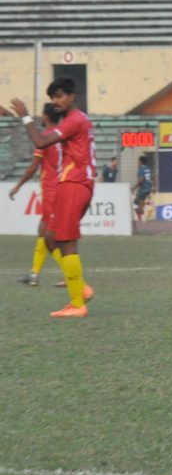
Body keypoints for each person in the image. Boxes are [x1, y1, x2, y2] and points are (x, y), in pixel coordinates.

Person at [6, 78, 97, 317]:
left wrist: (25, 116)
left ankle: (78, 303)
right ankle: (80, 291)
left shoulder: (74, 120)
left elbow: (40, 141)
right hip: (74, 182)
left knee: (66, 241)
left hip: (73, 183)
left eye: (59, 96)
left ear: (71, 96)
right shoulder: (78, 120)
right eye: (53, 98)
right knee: (50, 235)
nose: (56, 101)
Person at [10, 103, 64, 286]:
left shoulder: (45, 138)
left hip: (51, 191)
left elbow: (33, 167)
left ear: (46, 117)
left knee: (50, 236)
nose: (40, 117)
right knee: (42, 230)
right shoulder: (62, 135)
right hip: (62, 188)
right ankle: (34, 274)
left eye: (42, 114)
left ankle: (68, 274)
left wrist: (18, 185)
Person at [132, 155, 153, 221]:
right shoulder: (148, 168)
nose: (138, 163)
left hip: (143, 188)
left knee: (135, 203)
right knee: (140, 203)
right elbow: (152, 178)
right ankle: (141, 217)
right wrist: (153, 187)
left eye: (138, 161)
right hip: (148, 188)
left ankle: (143, 217)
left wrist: (134, 187)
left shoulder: (141, 169)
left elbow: (141, 179)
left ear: (140, 162)